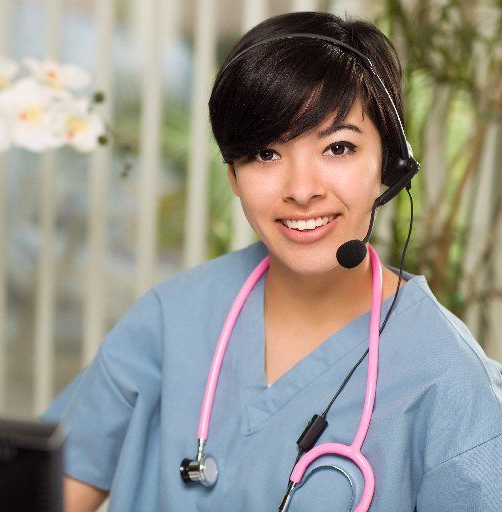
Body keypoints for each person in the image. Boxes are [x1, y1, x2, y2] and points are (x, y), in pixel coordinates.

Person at [43, 11, 502, 511]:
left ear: (388, 167)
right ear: (233, 177)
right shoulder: (171, 319)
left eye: (339, 147)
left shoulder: (451, 381)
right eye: (265, 153)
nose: (302, 190)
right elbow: (43, 491)